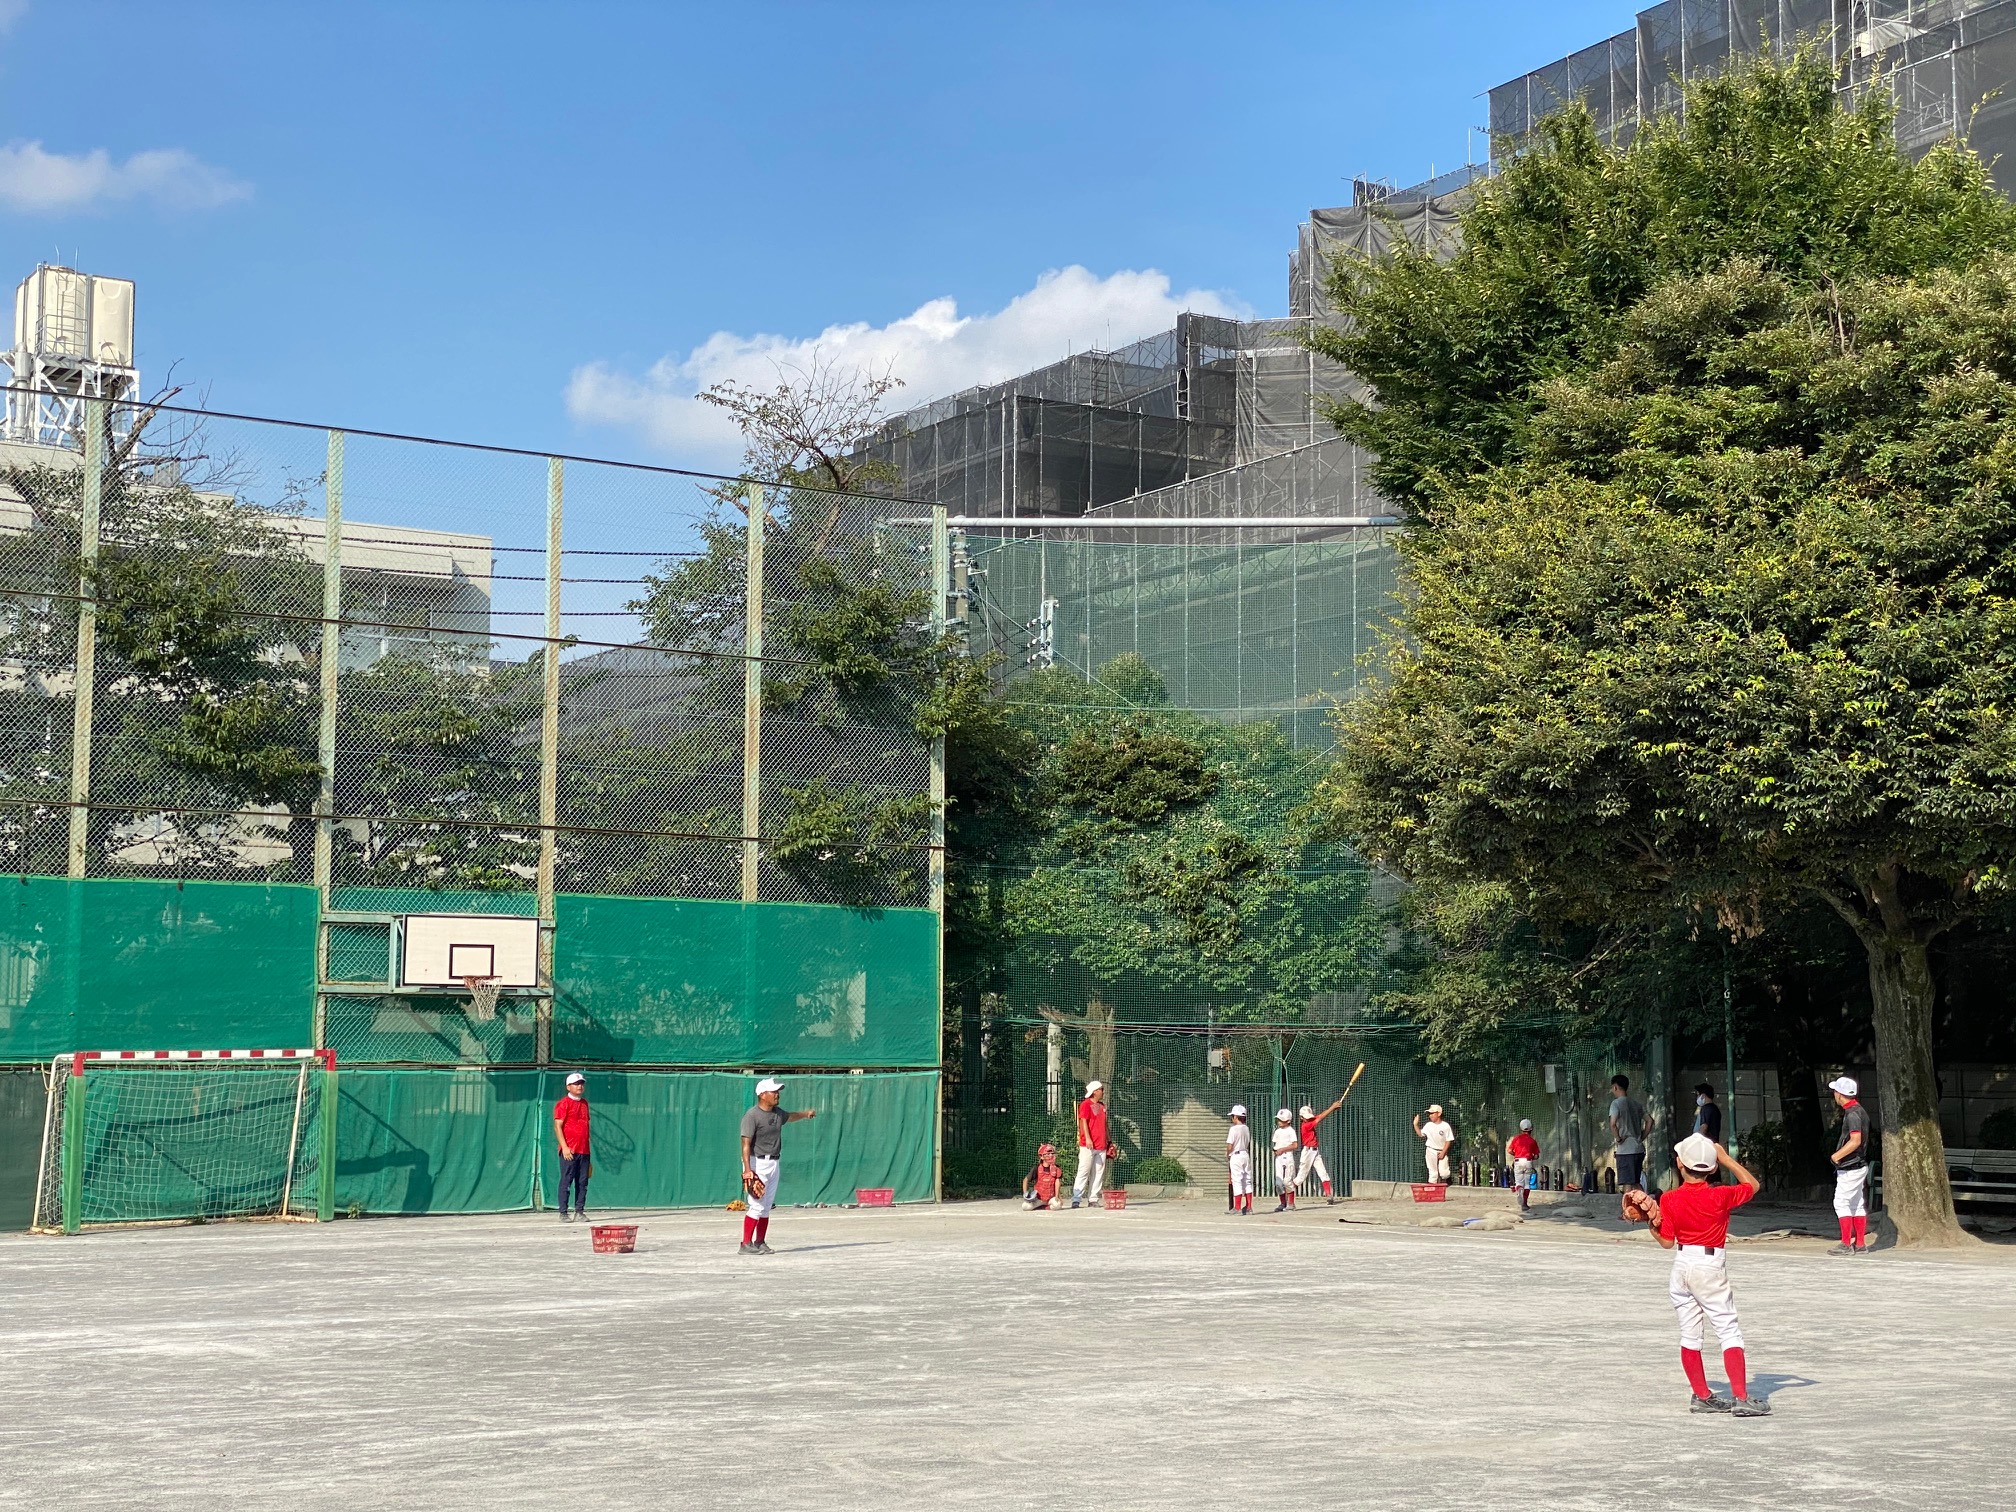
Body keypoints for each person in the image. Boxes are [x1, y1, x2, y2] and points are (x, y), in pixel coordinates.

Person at [1644, 1133, 1771, 1418]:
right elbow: (1752, 1185)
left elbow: (1666, 1242)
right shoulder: (1720, 1194)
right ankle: (1741, 1397)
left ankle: (1702, 1396)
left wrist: (1651, 1225)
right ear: (1712, 1168)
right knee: (1728, 1329)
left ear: (1680, 1164)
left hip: (1682, 1264)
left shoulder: (1669, 1198)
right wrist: (1726, 1159)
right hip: (1709, 1266)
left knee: (1690, 1334)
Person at [739, 1077, 816, 1255]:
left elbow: (790, 1116)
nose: (777, 1094)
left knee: (766, 1206)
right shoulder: (752, 1116)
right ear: (762, 1094)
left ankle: (759, 1242)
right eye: (773, 1091)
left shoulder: (777, 1113)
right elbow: (745, 1144)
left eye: (777, 1091)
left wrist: (805, 1114)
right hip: (757, 1163)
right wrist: (748, 1170)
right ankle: (745, 1244)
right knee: (757, 1206)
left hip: (774, 1163)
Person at [1827, 1075, 1872, 1256]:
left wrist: (1836, 1156)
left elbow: (1855, 1140)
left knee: (1841, 1202)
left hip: (1851, 1166)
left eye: (1835, 1091)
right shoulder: (1859, 1111)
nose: (1834, 1094)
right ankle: (1860, 1244)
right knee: (1857, 1203)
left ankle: (1846, 1243)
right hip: (1859, 1165)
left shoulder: (1852, 1114)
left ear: (1840, 1094)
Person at [553, 1072, 591, 1223]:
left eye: (581, 1083)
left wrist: (587, 1152)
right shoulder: (563, 1103)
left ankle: (579, 1211)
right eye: (576, 1084)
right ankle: (563, 1213)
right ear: (568, 1087)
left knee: (582, 1182)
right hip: (569, 1151)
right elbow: (557, 1126)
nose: (579, 1086)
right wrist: (565, 1147)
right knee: (567, 1180)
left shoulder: (585, 1104)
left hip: (584, 1150)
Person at [1071, 1079, 1114, 1209]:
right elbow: (1083, 1122)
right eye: (1101, 1089)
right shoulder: (1085, 1104)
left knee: (1098, 1173)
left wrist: (1109, 1141)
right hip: (1087, 1145)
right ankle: (1076, 1199)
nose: (1103, 1091)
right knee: (1083, 1171)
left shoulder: (1102, 1106)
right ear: (1094, 1091)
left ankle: (1093, 1198)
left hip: (1101, 1145)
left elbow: (1105, 1125)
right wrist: (1088, 1138)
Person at [1609, 1075, 1651, 1203]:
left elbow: (1613, 1124)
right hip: (1638, 1148)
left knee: (1627, 1183)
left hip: (1625, 1149)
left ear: (1615, 1087)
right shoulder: (1636, 1104)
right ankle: (1647, 1206)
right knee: (1636, 1182)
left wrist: (1618, 1138)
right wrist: (1641, 1137)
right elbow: (1650, 1121)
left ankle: (1627, 1209)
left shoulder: (1616, 1104)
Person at [1295, 1097, 1345, 1204]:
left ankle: (1329, 1195)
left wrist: (1332, 1108)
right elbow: (1321, 1117)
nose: (1308, 1119)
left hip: (1315, 1151)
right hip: (1308, 1152)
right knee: (1300, 1178)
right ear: (1301, 1118)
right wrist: (1332, 1107)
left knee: (1323, 1173)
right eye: (1305, 1118)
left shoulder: (1309, 1121)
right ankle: (1286, 1194)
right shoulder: (1305, 1125)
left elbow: (1319, 1116)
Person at [1413, 1103, 1454, 1184]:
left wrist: (1443, 1152)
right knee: (1433, 1173)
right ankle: (1432, 1189)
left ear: (1439, 1113)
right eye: (1429, 1113)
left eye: (1432, 1113)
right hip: (1431, 1150)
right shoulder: (1428, 1125)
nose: (1430, 1115)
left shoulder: (1445, 1126)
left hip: (1442, 1150)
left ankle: (1446, 1183)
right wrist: (1415, 1125)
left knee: (1444, 1173)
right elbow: (1421, 1134)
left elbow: (1448, 1140)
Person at [1507, 1118, 1541, 1212]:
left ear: (1521, 1129)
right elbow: (1536, 1156)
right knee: (1527, 1184)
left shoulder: (1516, 1139)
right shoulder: (1532, 1141)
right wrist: (1532, 1156)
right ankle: (1524, 1204)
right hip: (1528, 1161)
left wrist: (1516, 1154)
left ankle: (1519, 1190)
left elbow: (1509, 1150)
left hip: (1518, 1161)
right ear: (1531, 1129)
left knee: (1519, 1182)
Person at [1270, 1109, 1300, 1212]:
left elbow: (1295, 1145)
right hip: (1279, 1158)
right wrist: (1276, 1151)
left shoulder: (1291, 1131)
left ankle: (1291, 1203)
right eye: (1278, 1119)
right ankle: (1283, 1203)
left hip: (1287, 1156)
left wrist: (1283, 1149)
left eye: (1282, 1120)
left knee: (1287, 1181)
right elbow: (1276, 1144)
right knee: (1278, 1182)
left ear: (1288, 1121)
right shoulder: (1277, 1131)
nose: (1279, 1122)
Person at [1226, 1105, 1254, 1215]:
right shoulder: (1246, 1128)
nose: (1232, 1118)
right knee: (1247, 1180)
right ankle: (1249, 1207)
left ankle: (1237, 1207)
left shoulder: (1233, 1129)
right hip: (1245, 1154)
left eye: (1233, 1116)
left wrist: (1227, 1154)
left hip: (1236, 1155)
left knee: (1236, 1180)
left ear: (1236, 1117)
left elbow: (1230, 1146)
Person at [1022, 1143, 1062, 1211]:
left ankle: (1045, 1207)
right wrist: (1025, 1194)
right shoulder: (1037, 1168)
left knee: (1058, 1205)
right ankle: (1040, 1206)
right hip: (1038, 1199)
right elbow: (1025, 1180)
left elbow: (1057, 1182)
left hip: (1050, 1198)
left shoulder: (1056, 1168)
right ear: (1041, 1156)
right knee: (1025, 1206)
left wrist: (1057, 1196)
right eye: (1048, 1154)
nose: (1051, 1155)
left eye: (1052, 1153)